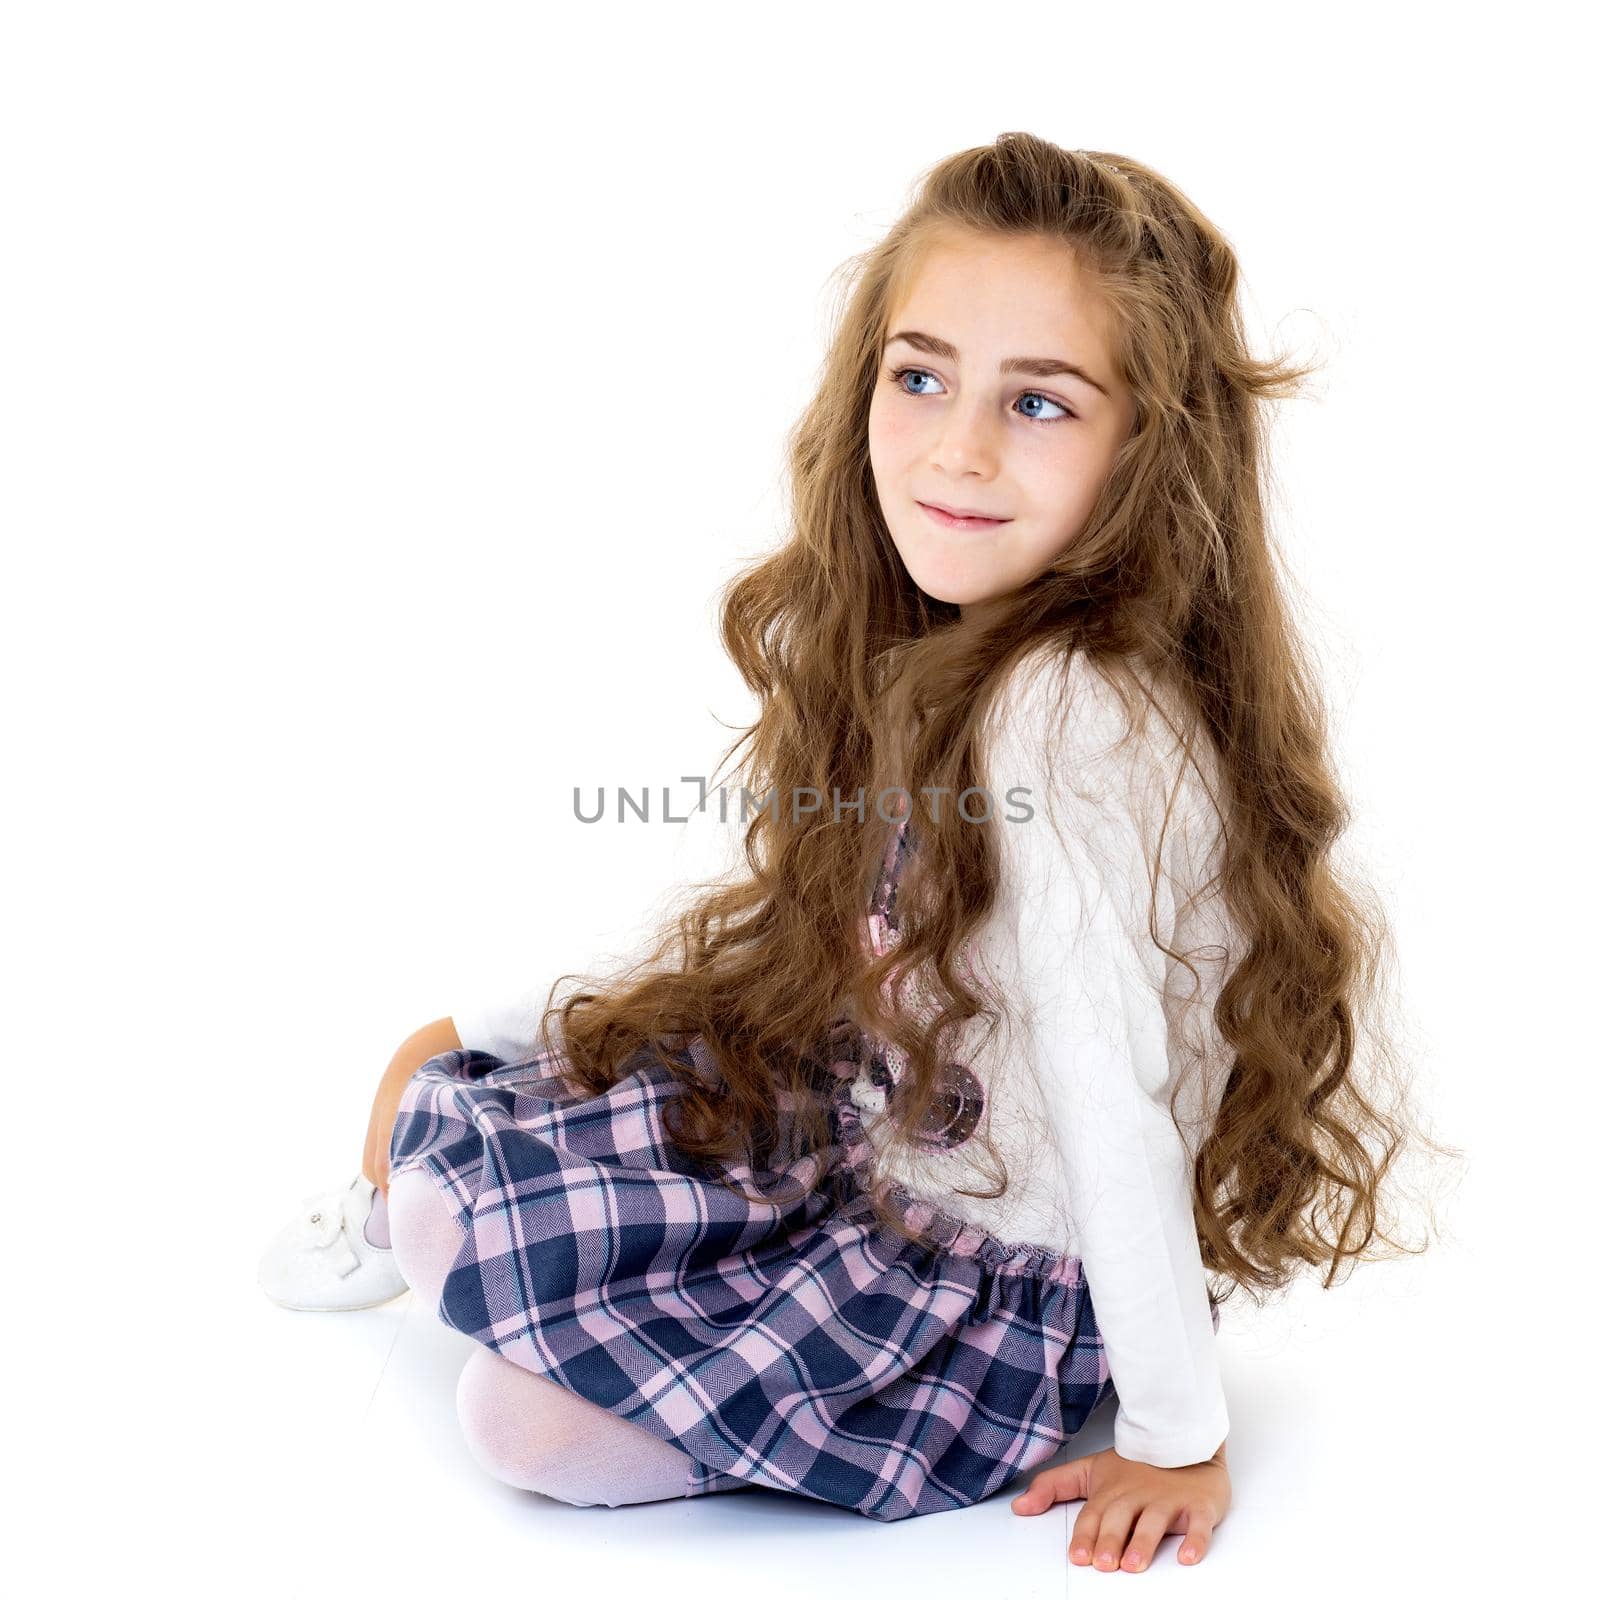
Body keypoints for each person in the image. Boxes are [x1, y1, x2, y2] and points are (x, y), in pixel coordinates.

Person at [259, 133, 1440, 1571]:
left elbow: (1108, 1091)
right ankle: (426, 1232)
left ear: (1148, 447)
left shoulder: (1065, 719)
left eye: (1043, 404)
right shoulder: (965, 646)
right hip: (866, 1136)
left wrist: (1175, 1432)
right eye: (922, 375)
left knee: (514, 1425)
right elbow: (812, 909)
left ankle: (489, 1279)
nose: (957, 449)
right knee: (448, 1169)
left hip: (986, 1284)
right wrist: (522, 1019)